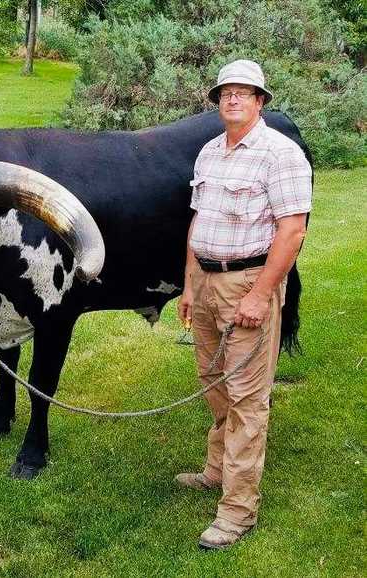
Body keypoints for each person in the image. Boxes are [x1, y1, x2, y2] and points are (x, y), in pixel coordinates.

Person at [176, 59, 312, 550]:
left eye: (243, 92)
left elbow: (292, 231)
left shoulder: (281, 154)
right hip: (208, 282)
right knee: (213, 383)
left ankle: (237, 511)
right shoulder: (210, 152)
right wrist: (190, 285)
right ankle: (216, 471)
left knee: (248, 399)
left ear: (260, 102)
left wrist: (259, 295)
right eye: (225, 92)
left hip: (248, 283)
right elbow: (198, 221)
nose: (232, 99)